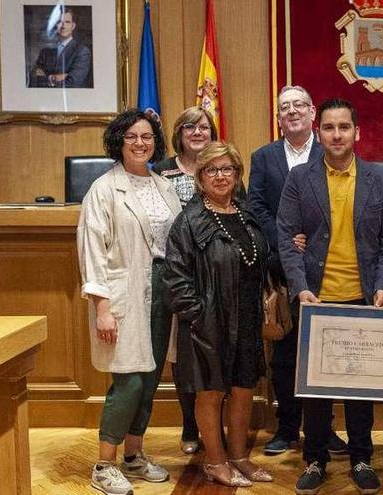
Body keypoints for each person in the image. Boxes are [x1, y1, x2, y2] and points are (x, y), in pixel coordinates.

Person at [276, 98, 383, 495]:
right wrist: (300, 288)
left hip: (363, 300)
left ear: (357, 133)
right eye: (329, 127)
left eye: (343, 127)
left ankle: (361, 457)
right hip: (317, 302)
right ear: (319, 132)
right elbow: (285, 235)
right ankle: (314, 459)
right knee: (316, 392)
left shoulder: (379, 179)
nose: (336, 134)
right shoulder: (300, 179)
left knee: (359, 391)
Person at [77, 108, 181, 495]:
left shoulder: (163, 186)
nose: (141, 143)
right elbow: (92, 252)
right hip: (122, 297)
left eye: (147, 137)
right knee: (129, 380)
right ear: (118, 142)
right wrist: (102, 307)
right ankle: (104, 464)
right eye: (132, 137)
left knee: (151, 376)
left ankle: (134, 456)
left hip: (161, 292)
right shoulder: (103, 189)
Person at [164, 141, 273, 487]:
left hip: (247, 318)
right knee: (210, 392)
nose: (221, 176)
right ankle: (214, 460)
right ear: (200, 178)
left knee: (242, 389)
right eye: (212, 170)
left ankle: (239, 456)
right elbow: (175, 277)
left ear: (238, 175)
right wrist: (198, 315)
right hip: (206, 323)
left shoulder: (247, 215)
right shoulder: (189, 222)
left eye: (228, 169)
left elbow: (260, 263)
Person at [247, 85, 348, 457]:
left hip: (329, 270)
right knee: (287, 356)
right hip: (283, 268)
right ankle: (287, 428)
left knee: (328, 353)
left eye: (299, 105)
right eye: (284, 107)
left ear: (312, 113)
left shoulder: (334, 151)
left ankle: (325, 431)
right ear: (278, 119)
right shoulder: (264, 157)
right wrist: (287, 240)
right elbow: (255, 206)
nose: (291, 111)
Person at [151, 106, 218, 455]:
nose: (197, 132)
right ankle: (190, 424)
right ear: (178, 133)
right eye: (189, 126)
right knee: (182, 354)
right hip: (176, 275)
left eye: (204, 126)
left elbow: (241, 209)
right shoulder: (160, 172)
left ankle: (213, 422)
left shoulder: (220, 166)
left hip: (217, 275)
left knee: (213, 350)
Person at [29, 7, 92, 88]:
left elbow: (73, 83)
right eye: (59, 22)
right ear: (55, 25)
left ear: (73, 26)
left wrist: (46, 78)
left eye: (67, 22)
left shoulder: (82, 51)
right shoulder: (45, 52)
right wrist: (54, 77)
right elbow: (33, 79)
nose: (63, 26)